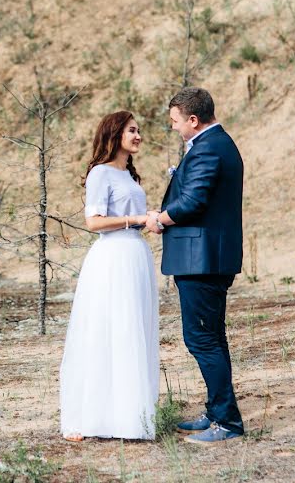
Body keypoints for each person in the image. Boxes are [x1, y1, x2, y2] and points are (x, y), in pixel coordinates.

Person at [146, 87, 245, 444]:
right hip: (207, 258)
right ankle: (217, 411)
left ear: (192, 119)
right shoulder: (217, 145)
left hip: (203, 261)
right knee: (211, 338)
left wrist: (161, 218)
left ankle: (228, 422)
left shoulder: (209, 149)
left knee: (202, 339)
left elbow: (193, 201)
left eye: (175, 121)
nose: (173, 128)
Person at [60, 111, 159, 442]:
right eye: (132, 130)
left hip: (135, 256)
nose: (138, 135)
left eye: (139, 130)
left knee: (133, 331)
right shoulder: (100, 174)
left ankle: (129, 416)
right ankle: (94, 415)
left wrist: (150, 219)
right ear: (115, 133)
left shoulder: (129, 177)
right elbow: (94, 222)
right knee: (109, 330)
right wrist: (137, 219)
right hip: (113, 258)